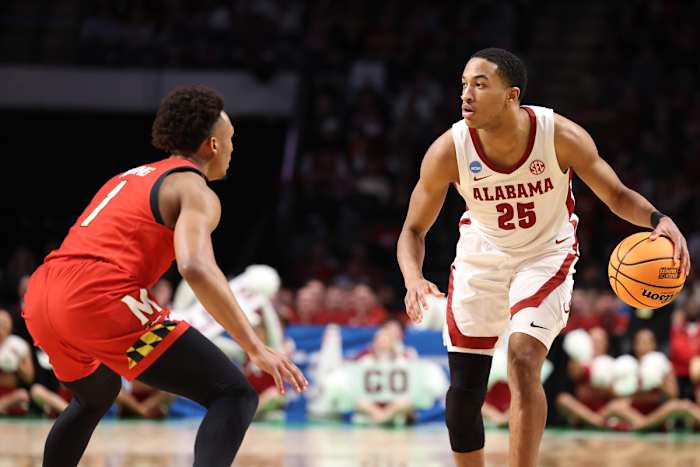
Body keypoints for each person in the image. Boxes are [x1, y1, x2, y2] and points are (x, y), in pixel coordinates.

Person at [396, 48, 690, 467]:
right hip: (482, 257)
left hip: (544, 254)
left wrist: (659, 219)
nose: (466, 95)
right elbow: (412, 230)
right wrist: (412, 277)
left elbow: (616, 194)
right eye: (463, 84)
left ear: (511, 95)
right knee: (463, 394)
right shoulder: (449, 150)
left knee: (522, 357)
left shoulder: (558, 136)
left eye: (480, 84)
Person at [22, 85, 308, 467]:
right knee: (234, 394)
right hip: (100, 297)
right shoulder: (194, 187)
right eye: (231, 139)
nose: (234, 148)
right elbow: (195, 267)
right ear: (212, 145)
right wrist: (255, 347)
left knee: (97, 393)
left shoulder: (128, 176)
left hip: (43, 294)